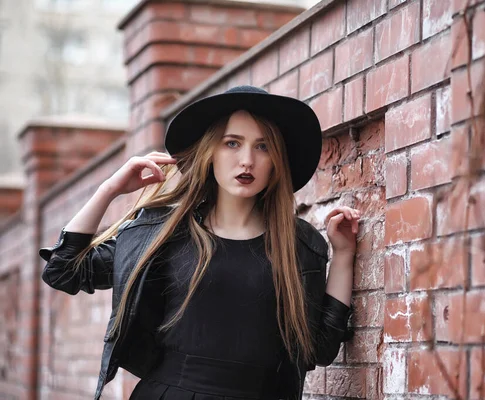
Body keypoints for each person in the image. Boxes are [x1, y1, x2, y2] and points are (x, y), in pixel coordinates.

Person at [39, 85, 360, 400]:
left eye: (262, 147)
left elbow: (320, 348)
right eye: (232, 143)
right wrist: (109, 189)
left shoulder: (301, 245)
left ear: (276, 161)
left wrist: (343, 254)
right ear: (210, 153)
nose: (247, 160)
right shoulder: (162, 231)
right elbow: (63, 271)